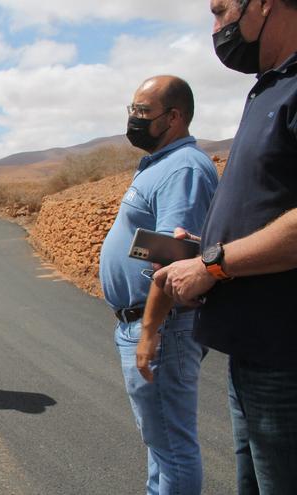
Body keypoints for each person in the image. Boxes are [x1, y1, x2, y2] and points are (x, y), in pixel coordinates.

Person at [155, 1, 297, 492]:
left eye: (221, 11)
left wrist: (212, 265)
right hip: (253, 354)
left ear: (263, 4)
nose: (217, 29)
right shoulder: (269, 89)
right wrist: (202, 248)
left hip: (285, 358)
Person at [99, 75, 218, 495]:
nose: (133, 120)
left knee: (172, 447)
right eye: (131, 110)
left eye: (143, 112)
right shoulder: (161, 164)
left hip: (163, 327)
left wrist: (150, 331)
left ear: (174, 117)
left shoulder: (183, 169)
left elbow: (175, 260)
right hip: (147, 325)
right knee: (161, 442)